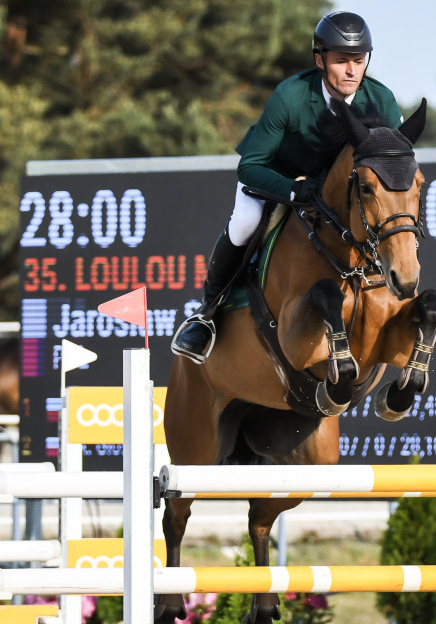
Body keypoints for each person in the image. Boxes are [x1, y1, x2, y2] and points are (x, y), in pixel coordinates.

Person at [171, 10, 404, 364]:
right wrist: (293, 192)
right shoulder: (291, 96)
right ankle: (207, 314)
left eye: (359, 61)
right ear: (320, 59)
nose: (352, 71)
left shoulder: (382, 101)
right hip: (279, 179)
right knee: (245, 223)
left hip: (340, 191)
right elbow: (249, 168)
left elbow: (392, 166)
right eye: (342, 61)